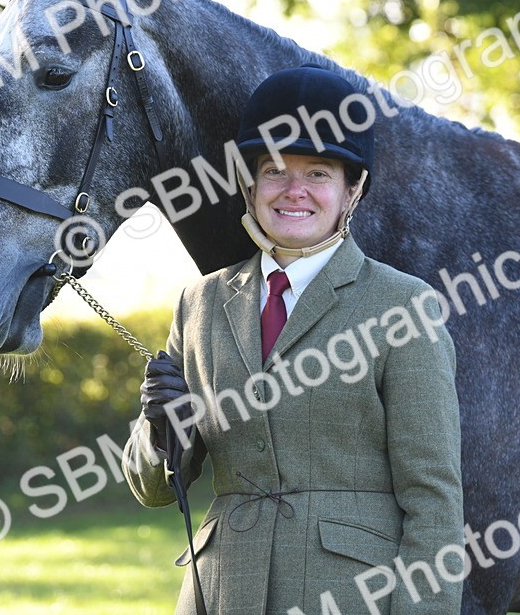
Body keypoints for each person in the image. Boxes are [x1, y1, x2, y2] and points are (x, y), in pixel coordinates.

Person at [122, 65, 463, 615]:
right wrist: (162, 429)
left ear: (352, 190)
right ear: (250, 185)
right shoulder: (198, 303)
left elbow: (434, 501)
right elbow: (154, 489)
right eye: (275, 170)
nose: (294, 191)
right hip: (222, 591)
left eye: (319, 173)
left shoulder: (404, 305)